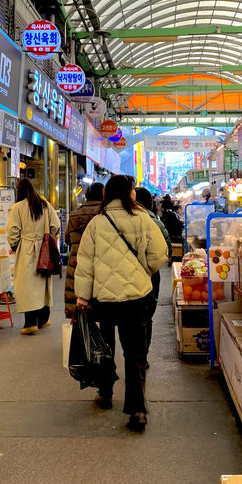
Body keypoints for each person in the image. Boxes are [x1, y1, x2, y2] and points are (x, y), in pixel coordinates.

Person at [75, 175, 168, 431]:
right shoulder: (143, 219)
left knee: (103, 348)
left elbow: (85, 264)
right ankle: (137, 410)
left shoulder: (97, 222)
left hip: (103, 300)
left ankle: (105, 394)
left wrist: (82, 295)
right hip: (136, 298)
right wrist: (144, 272)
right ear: (128, 193)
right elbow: (160, 253)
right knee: (135, 354)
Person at [7, 178, 61, 334]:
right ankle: (44, 319)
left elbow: (13, 231)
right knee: (43, 283)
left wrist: (15, 245)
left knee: (26, 287)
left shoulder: (18, 208)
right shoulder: (44, 205)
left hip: (26, 250)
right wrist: (47, 236)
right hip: (44, 250)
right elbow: (56, 225)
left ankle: (30, 323)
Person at [134, 187, 172, 360]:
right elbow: (166, 250)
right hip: (150, 276)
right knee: (146, 316)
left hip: (127, 276)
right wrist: (151, 267)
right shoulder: (154, 221)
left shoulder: (113, 220)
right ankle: (142, 355)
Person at [64, 183, 104, 319]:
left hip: (76, 263)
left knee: (80, 309)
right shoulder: (104, 215)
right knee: (101, 310)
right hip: (99, 261)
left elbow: (67, 239)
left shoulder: (74, 214)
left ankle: (83, 339)